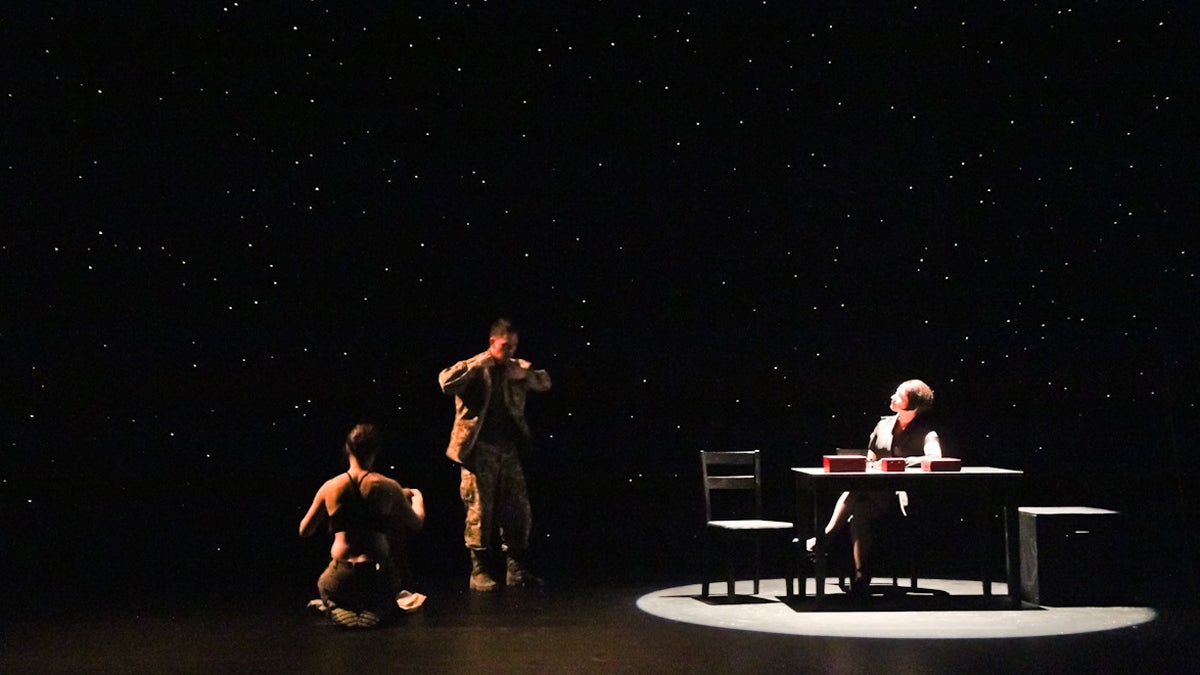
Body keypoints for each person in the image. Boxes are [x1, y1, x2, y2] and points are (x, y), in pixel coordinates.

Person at [438, 318, 552, 591]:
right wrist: (479, 364)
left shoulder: (516, 368)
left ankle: (515, 570)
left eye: (514, 346)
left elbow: (545, 382)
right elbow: (445, 383)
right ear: (492, 343)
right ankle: (479, 571)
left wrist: (525, 374)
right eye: (505, 345)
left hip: (508, 449)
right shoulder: (477, 366)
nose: (510, 351)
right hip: (479, 451)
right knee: (479, 510)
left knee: (517, 510)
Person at [808, 379, 942, 597]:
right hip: (872, 495)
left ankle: (824, 539)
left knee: (854, 491)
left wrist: (902, 463)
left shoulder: (926, 432)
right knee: (858, 513)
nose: (892, 397)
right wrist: (870, 464)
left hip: (898, 498)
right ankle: (861, 579)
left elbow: (936, 457)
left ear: (914, 403)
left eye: (899, 395)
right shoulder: (883, 425)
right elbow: (870, 457)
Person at [300, 423, 426, 627]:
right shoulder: (388, 486)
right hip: (377, 575)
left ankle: (335, 606)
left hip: (341, 577)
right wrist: (418, 498)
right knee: (394, 587)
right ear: (375, 451)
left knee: (325, 585)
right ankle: (379, 608)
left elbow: (304, 531)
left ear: (347, 449)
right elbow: (416, 523)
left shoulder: (330, 487)